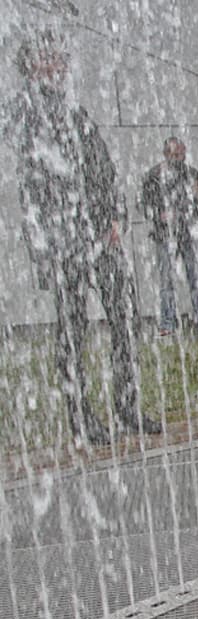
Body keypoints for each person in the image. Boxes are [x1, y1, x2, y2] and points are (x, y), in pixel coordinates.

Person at [7, 29, 161, 444]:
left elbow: (104, 167)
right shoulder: (24, 113)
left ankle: (127, 406)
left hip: (100, 237)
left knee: (124, 320)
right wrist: (49, 244)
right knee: (72, 331)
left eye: (61, 59)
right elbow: (32, 184)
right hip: (64, 242)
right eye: (49, 59)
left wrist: (115, 216)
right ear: (31, 66)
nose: (59, 66)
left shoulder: (77, 114)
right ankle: (81, 418)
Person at [140, 136, 198, 336]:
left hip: (189, 234)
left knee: (196, 278)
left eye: (182, 154)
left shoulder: (191, 174)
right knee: (167, 281)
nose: (180, 158)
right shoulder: (154, 175)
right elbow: (143, 205)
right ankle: (168, 323)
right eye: (176, 154)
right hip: (165, 236)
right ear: (166, 154)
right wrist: (159, 214)